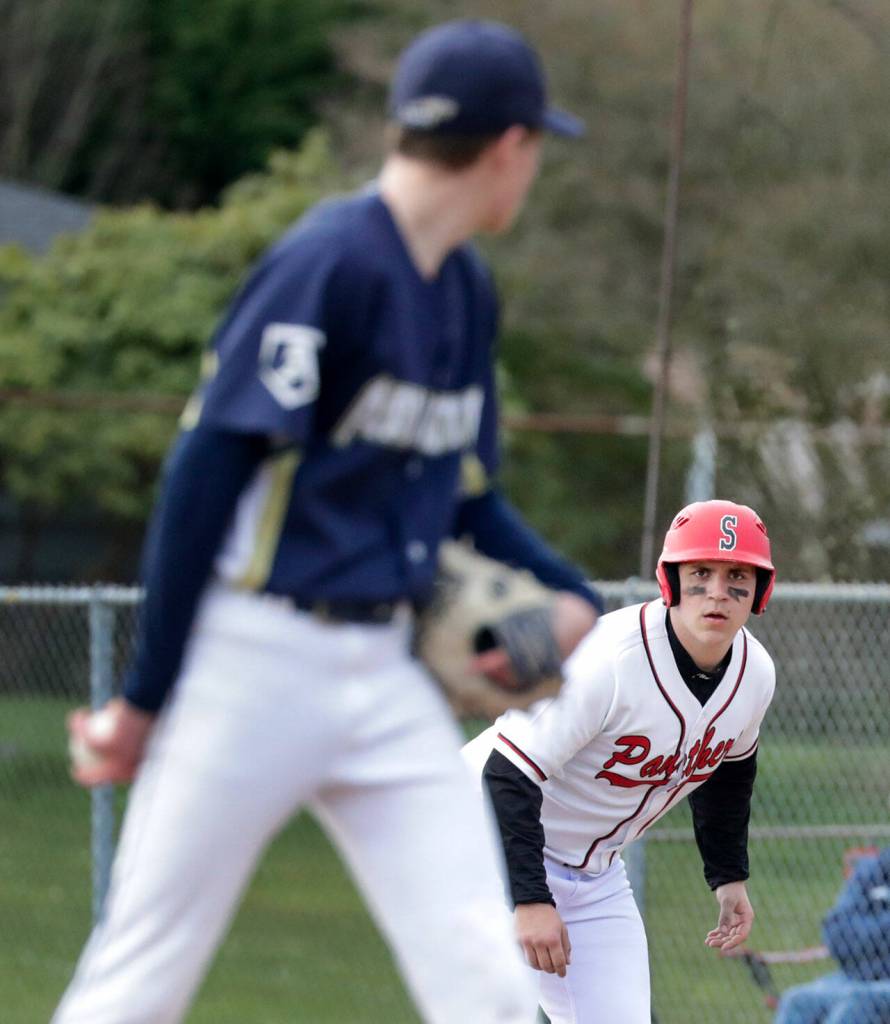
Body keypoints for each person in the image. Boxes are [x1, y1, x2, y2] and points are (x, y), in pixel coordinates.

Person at [52, 18, 606, 1024]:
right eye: (534, 149)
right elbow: (201, 483)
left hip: (386, 674)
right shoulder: (327, 263)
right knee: (140, 978)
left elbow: (467, 495)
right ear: (506, 147)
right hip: (250, 662)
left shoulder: (464, 295)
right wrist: (144, 699)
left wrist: (568, 595)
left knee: (484, 979)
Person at [463, 499, 778, 1024]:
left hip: (593, 872)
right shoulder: (609, 657)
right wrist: (529, 901)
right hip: (480, 839)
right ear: (672, 581)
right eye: (700, 572)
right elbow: (508, 772)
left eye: (737, 575)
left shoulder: (755, 674)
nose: (718, 591)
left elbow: (728, 775)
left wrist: (729, 878)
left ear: (760, 589)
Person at [773, 846, 890, 1024]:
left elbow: (849, 932)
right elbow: (835, 931)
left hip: (874, 984)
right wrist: (880, 936)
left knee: (857, 1003)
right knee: (797, 1001)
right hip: (854, 976)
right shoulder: (872, 871)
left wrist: (864, 934)